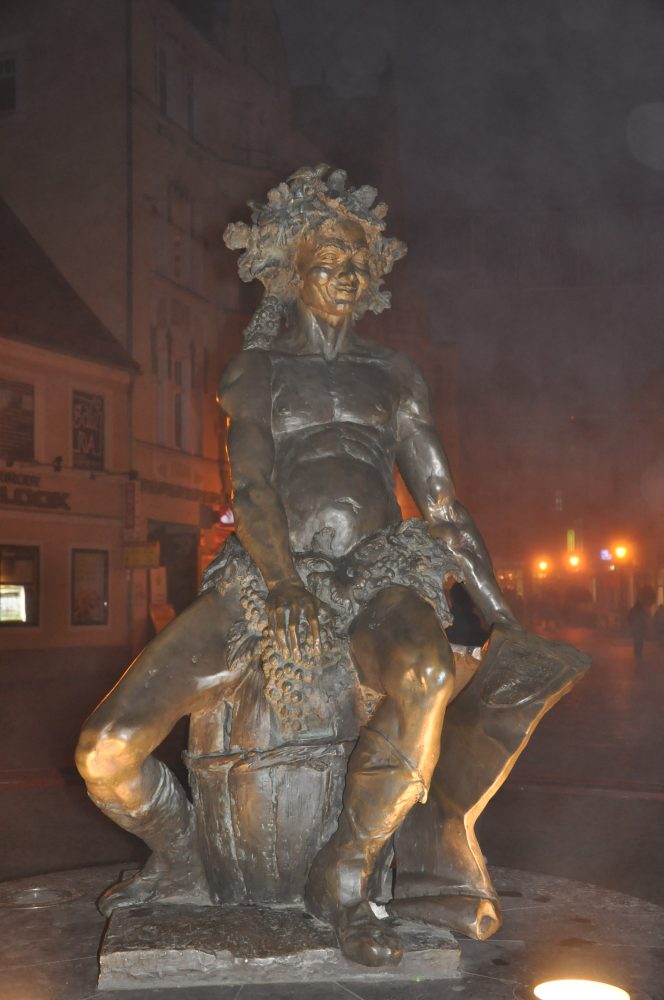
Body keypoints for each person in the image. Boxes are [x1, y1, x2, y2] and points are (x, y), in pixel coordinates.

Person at [76, 167, 566, 967]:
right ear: (291, 268)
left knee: (426, 676)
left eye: (357, 258)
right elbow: (254, 486)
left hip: (378, 570)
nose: (346, 269)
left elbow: (440, 504)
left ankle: (344, 873)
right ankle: (184, 849)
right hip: (268, 572)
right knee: (105, 748)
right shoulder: (257, 371)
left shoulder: (394, 375)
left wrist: (501, 613)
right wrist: (284, 584)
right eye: (328, 254)